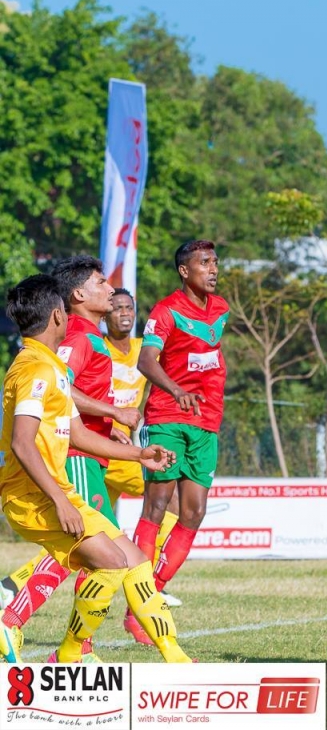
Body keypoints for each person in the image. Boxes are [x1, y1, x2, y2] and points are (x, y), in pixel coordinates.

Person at [0, 274, 191, 663]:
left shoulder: (51, 366)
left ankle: (171, 656)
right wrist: (61, 502)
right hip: (32, 496)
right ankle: (27, 631)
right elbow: (22, 442)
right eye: (100, 282)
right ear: (59, 315)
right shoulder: (35, 369)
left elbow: (78, 434)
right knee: (108, 562)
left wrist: (139, 455)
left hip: (55, 491)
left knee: (131, 560)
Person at [129, 240, 228, 645]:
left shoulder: (221, 309)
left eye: (215, 262)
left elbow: (208, 357)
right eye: (204, 263)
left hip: (207, 420)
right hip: (168, 416)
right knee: (157, 504)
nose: (213, 269)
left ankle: (148, 595)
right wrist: (175, 390)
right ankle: (141, 610)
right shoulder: (165, 311)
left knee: (194, 512)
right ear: (184, 271)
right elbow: (146, 360)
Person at [103, 287, 184, 608]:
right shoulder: (97, 348)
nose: (124, 313)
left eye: (129, 308)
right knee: (172, 500)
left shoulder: (142, 350)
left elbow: (173, 364)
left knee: (89, 532)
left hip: (125, 449)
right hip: (104, 446)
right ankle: (149, 584)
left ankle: (12, 585)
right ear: (105, 314)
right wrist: (109, 424)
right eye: (117, 308)